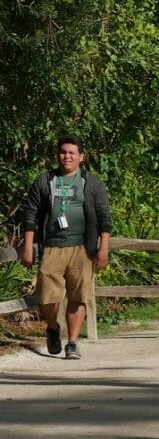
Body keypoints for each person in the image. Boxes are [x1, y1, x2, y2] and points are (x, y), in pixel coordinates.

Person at [21, 136, 112, 359]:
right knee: (47, 297)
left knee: (78, 297)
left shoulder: (91, 183)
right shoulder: (45, 181)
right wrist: (27, 246)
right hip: (52, 247)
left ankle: (72, 343)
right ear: (57, 155)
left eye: (72, 153)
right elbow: (30, 213)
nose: (66, 156)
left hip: (83, 248)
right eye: (63, 152)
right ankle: (53, 328)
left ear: (81, 156)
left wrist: (103, 248)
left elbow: (104, 218)